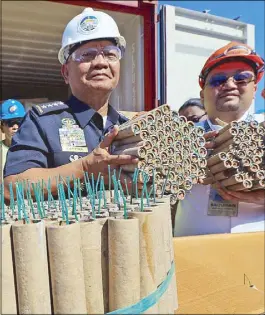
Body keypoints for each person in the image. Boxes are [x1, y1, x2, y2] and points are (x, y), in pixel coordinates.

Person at [4, 8, 139, 200]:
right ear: (66, 72)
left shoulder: (126, 127)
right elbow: (12, 187)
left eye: (110, 53)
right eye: (87, 55)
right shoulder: (43, 122)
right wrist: (84, 168)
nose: (101, 62)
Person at [174, 41, 265, 236]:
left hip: (258, 252)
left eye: (241, 78)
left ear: (255, 89)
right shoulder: (180, 136)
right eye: (218, 80)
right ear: (202, 93)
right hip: (194, 254)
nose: (230, 85)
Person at [1, 99, 26, 183]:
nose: (15, 127)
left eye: (19, 122)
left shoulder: (32, 148)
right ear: (2, 126)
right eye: (10, 123)